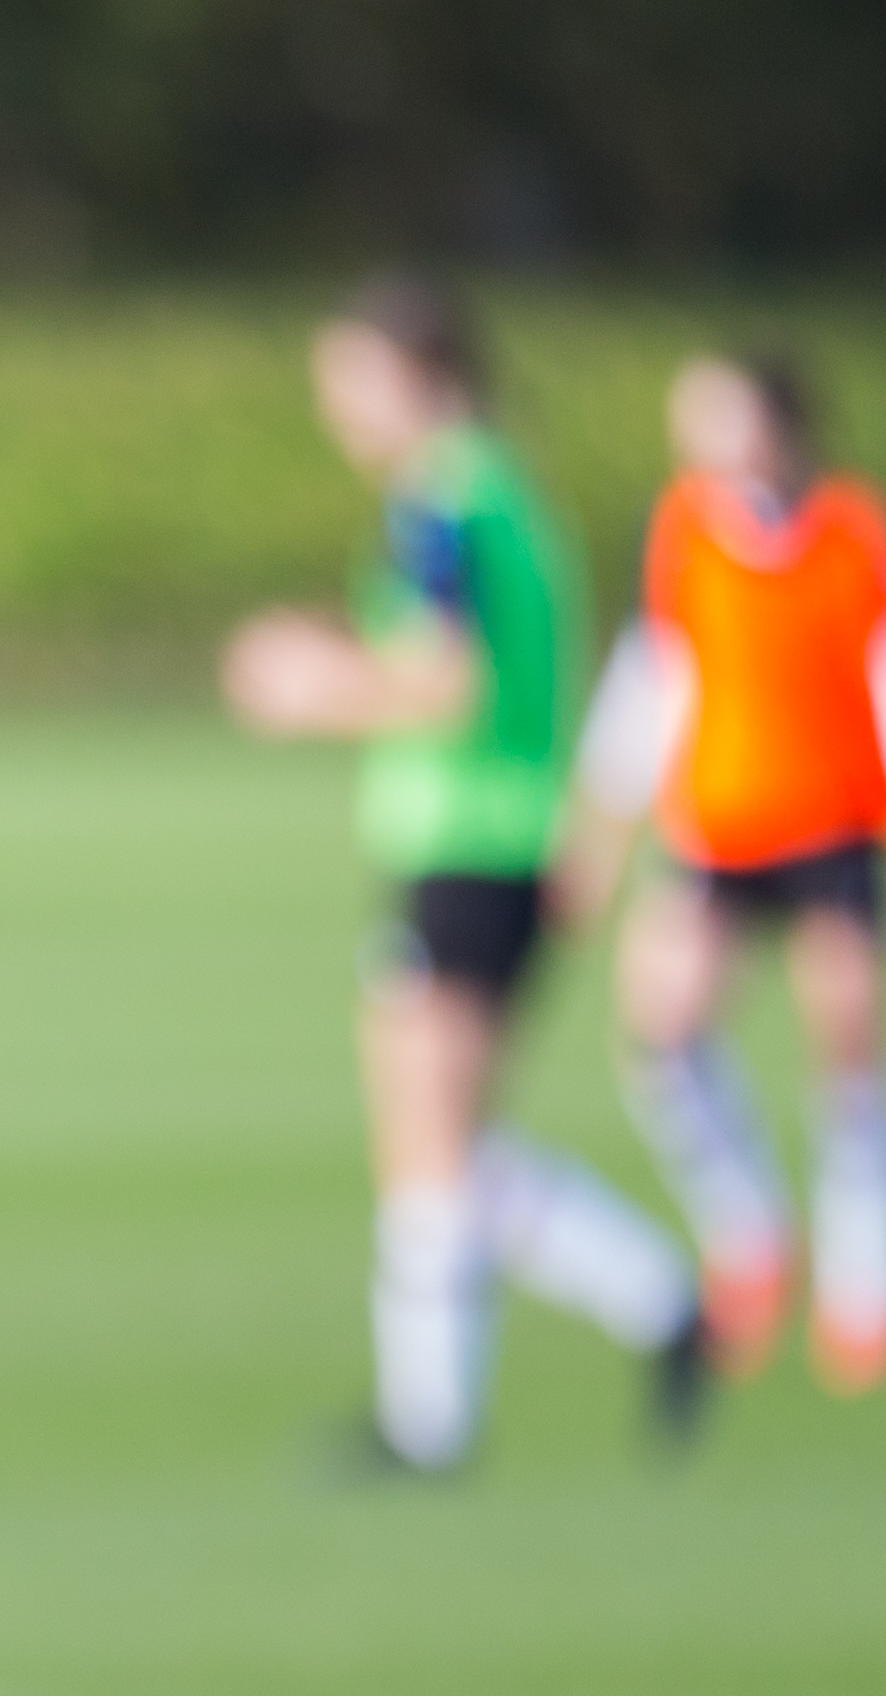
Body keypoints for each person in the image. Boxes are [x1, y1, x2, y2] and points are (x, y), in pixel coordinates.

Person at [222, 272, 707, 1474]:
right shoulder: (506, 494)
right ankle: (643, 1306)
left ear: (419, 374)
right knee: (445, 1142)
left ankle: (442, 1414)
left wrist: (309, 686)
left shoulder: (441, 504)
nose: (336, 407)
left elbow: (447, 679)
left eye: (351, 379)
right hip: (502, 846)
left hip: (467, 848)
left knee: (430, 1143)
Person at [568, 350, 886, 1393]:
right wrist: (601, 831)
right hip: (718, 826)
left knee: (849, 1049)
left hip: (835, 825)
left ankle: (865, 1289)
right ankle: (748, 1234)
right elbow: (652, 676)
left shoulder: (859, 532)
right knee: (663, 1032)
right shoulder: (682, 529)